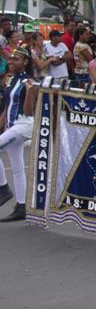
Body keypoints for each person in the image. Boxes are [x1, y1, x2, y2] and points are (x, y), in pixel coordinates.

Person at [0, 47, 39, 222]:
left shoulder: (30, 81)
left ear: (25, 62)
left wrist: (30, 92)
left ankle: (3, 189)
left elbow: (28, 111)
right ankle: (21, 207)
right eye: (11, 59)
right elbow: (7, 106)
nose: (11, 62)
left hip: (23, 124)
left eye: (16, 59)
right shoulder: (11, 79)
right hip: (11, 126)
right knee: (17, 168)